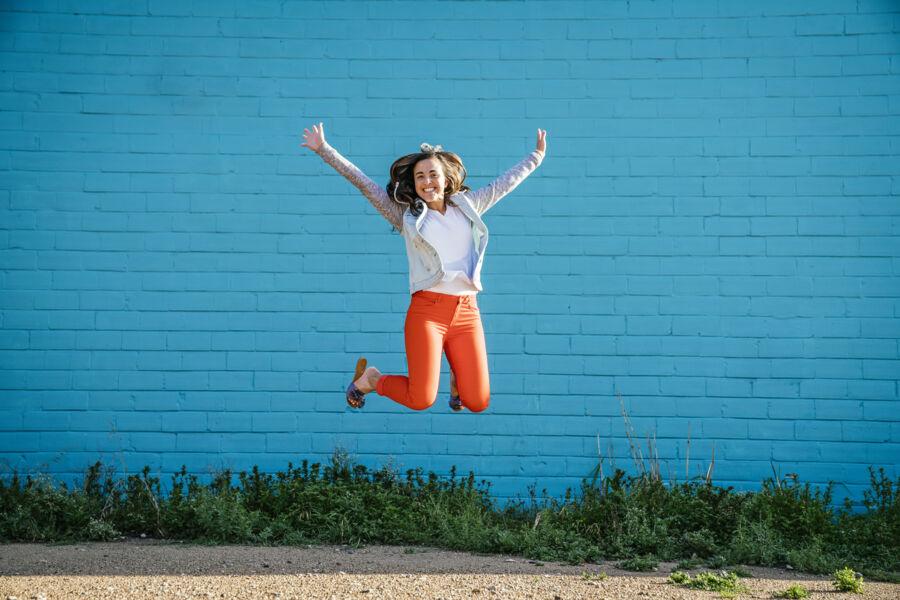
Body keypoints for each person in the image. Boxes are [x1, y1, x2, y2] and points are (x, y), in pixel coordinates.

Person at [301, 122, 547, 412]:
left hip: (467, 312)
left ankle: (458, 378)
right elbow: (364, 184)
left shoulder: (468, 206)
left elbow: (504, 184)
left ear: (446, 180)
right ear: (414, 184)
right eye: (420, 176)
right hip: (427, 314)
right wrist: (325, 150)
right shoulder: (407, 217)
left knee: (477, 401)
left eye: (433, 174)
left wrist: (536, 157)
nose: (427, 181)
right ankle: (372, 380)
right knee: (421, 399)